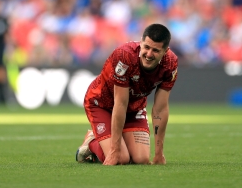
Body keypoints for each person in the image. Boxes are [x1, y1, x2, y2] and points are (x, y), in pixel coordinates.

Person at [76, 23, 178, 165]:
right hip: (101, 104)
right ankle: (92, 141)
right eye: (146, 47)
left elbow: (160, 109)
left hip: (133, 107)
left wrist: (159, 154)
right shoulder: (125, 56)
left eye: (155, 50)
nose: (149, 54)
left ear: (165, 51)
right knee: (121, 158)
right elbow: (120, 103)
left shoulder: (171, 64)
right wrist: (114, 150)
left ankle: (109, 138)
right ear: (141, 42)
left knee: (141, 159)